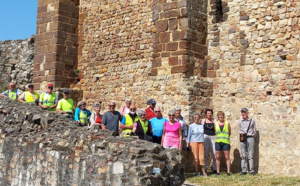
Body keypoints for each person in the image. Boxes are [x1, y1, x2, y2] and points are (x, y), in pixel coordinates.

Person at [239, 108, 256, 176]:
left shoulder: (252, 121)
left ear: (247, 113)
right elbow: (240, 129)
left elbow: (254, 130)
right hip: (243, 137)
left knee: (250, 155)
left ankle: (251, 170)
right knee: (243, 154)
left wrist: (252, 138)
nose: (243, 113)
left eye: (244, 112)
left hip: (250, 137)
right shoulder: (240, 121)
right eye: (242, 112)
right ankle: (244, 170)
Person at [215, 111, 231, 176]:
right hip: (218, 142)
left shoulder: (227, 123)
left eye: (222, 115)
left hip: (226, 142)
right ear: (218, 117)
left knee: (227, 157)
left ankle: (228, 172)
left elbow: (229, 132)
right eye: (219, 116)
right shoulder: (216, 124)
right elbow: (215, 132)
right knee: (217, 157)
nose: (220, 117)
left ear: (223, 116)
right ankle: (218, 171)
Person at [202, 109, 217, 174]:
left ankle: (215, 169)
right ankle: (205, 169)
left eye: (210, 113)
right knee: (205, 154)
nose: (209, 114)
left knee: (214, 154)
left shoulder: (214, 120)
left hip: (213, 136)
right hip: (205, 137)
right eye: (208, 113)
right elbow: (201, 129)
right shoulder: (203, 121)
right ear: (206, 114)